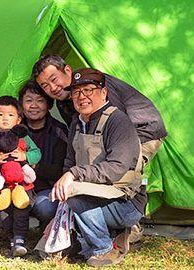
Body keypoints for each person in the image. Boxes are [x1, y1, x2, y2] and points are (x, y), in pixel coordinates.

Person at [32, 55, 167, 244]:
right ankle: (91, 220)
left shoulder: (96, 87)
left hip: (142, 130)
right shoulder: (66, 99)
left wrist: (76, 173)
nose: (52, 88)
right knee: (93, 165)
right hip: (114, 135)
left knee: (122, 171)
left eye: (54, 79)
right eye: (45, 86)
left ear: (68, 71)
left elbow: (116, 128)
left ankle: (128, 224)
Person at [50, 68, 145, 267]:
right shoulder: (77, 122)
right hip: (97, 195)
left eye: (88, 90)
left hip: (126, 201)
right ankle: (90, 237)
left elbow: (116, 168)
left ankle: (105, 248)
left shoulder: (118, 121)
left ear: (104, 93)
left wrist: (73, 174)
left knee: (75, 195)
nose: (81, 97)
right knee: (56, 199)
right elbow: (69, 161)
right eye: (76, 92)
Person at [0, 96, 41, 257]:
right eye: (0, 115)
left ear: (19, 119)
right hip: (2, 186)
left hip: (22, 185)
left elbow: (37, 153)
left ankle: (20, 238)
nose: (5, 118)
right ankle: (11, 236)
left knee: (21, 209)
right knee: (4, 209)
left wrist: (25, 156)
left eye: (10, 115)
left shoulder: (23, 137)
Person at [18, 80, 68, 230]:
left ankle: (46, 225)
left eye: (40, 101)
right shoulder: (14, 131)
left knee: (46, 208)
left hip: (45, 189)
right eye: (29, 101)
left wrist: (33, 166)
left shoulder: (59, 132)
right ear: (21, 105)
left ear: (49, 105)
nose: (34, 106)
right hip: (17, 188)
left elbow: (60, 169)